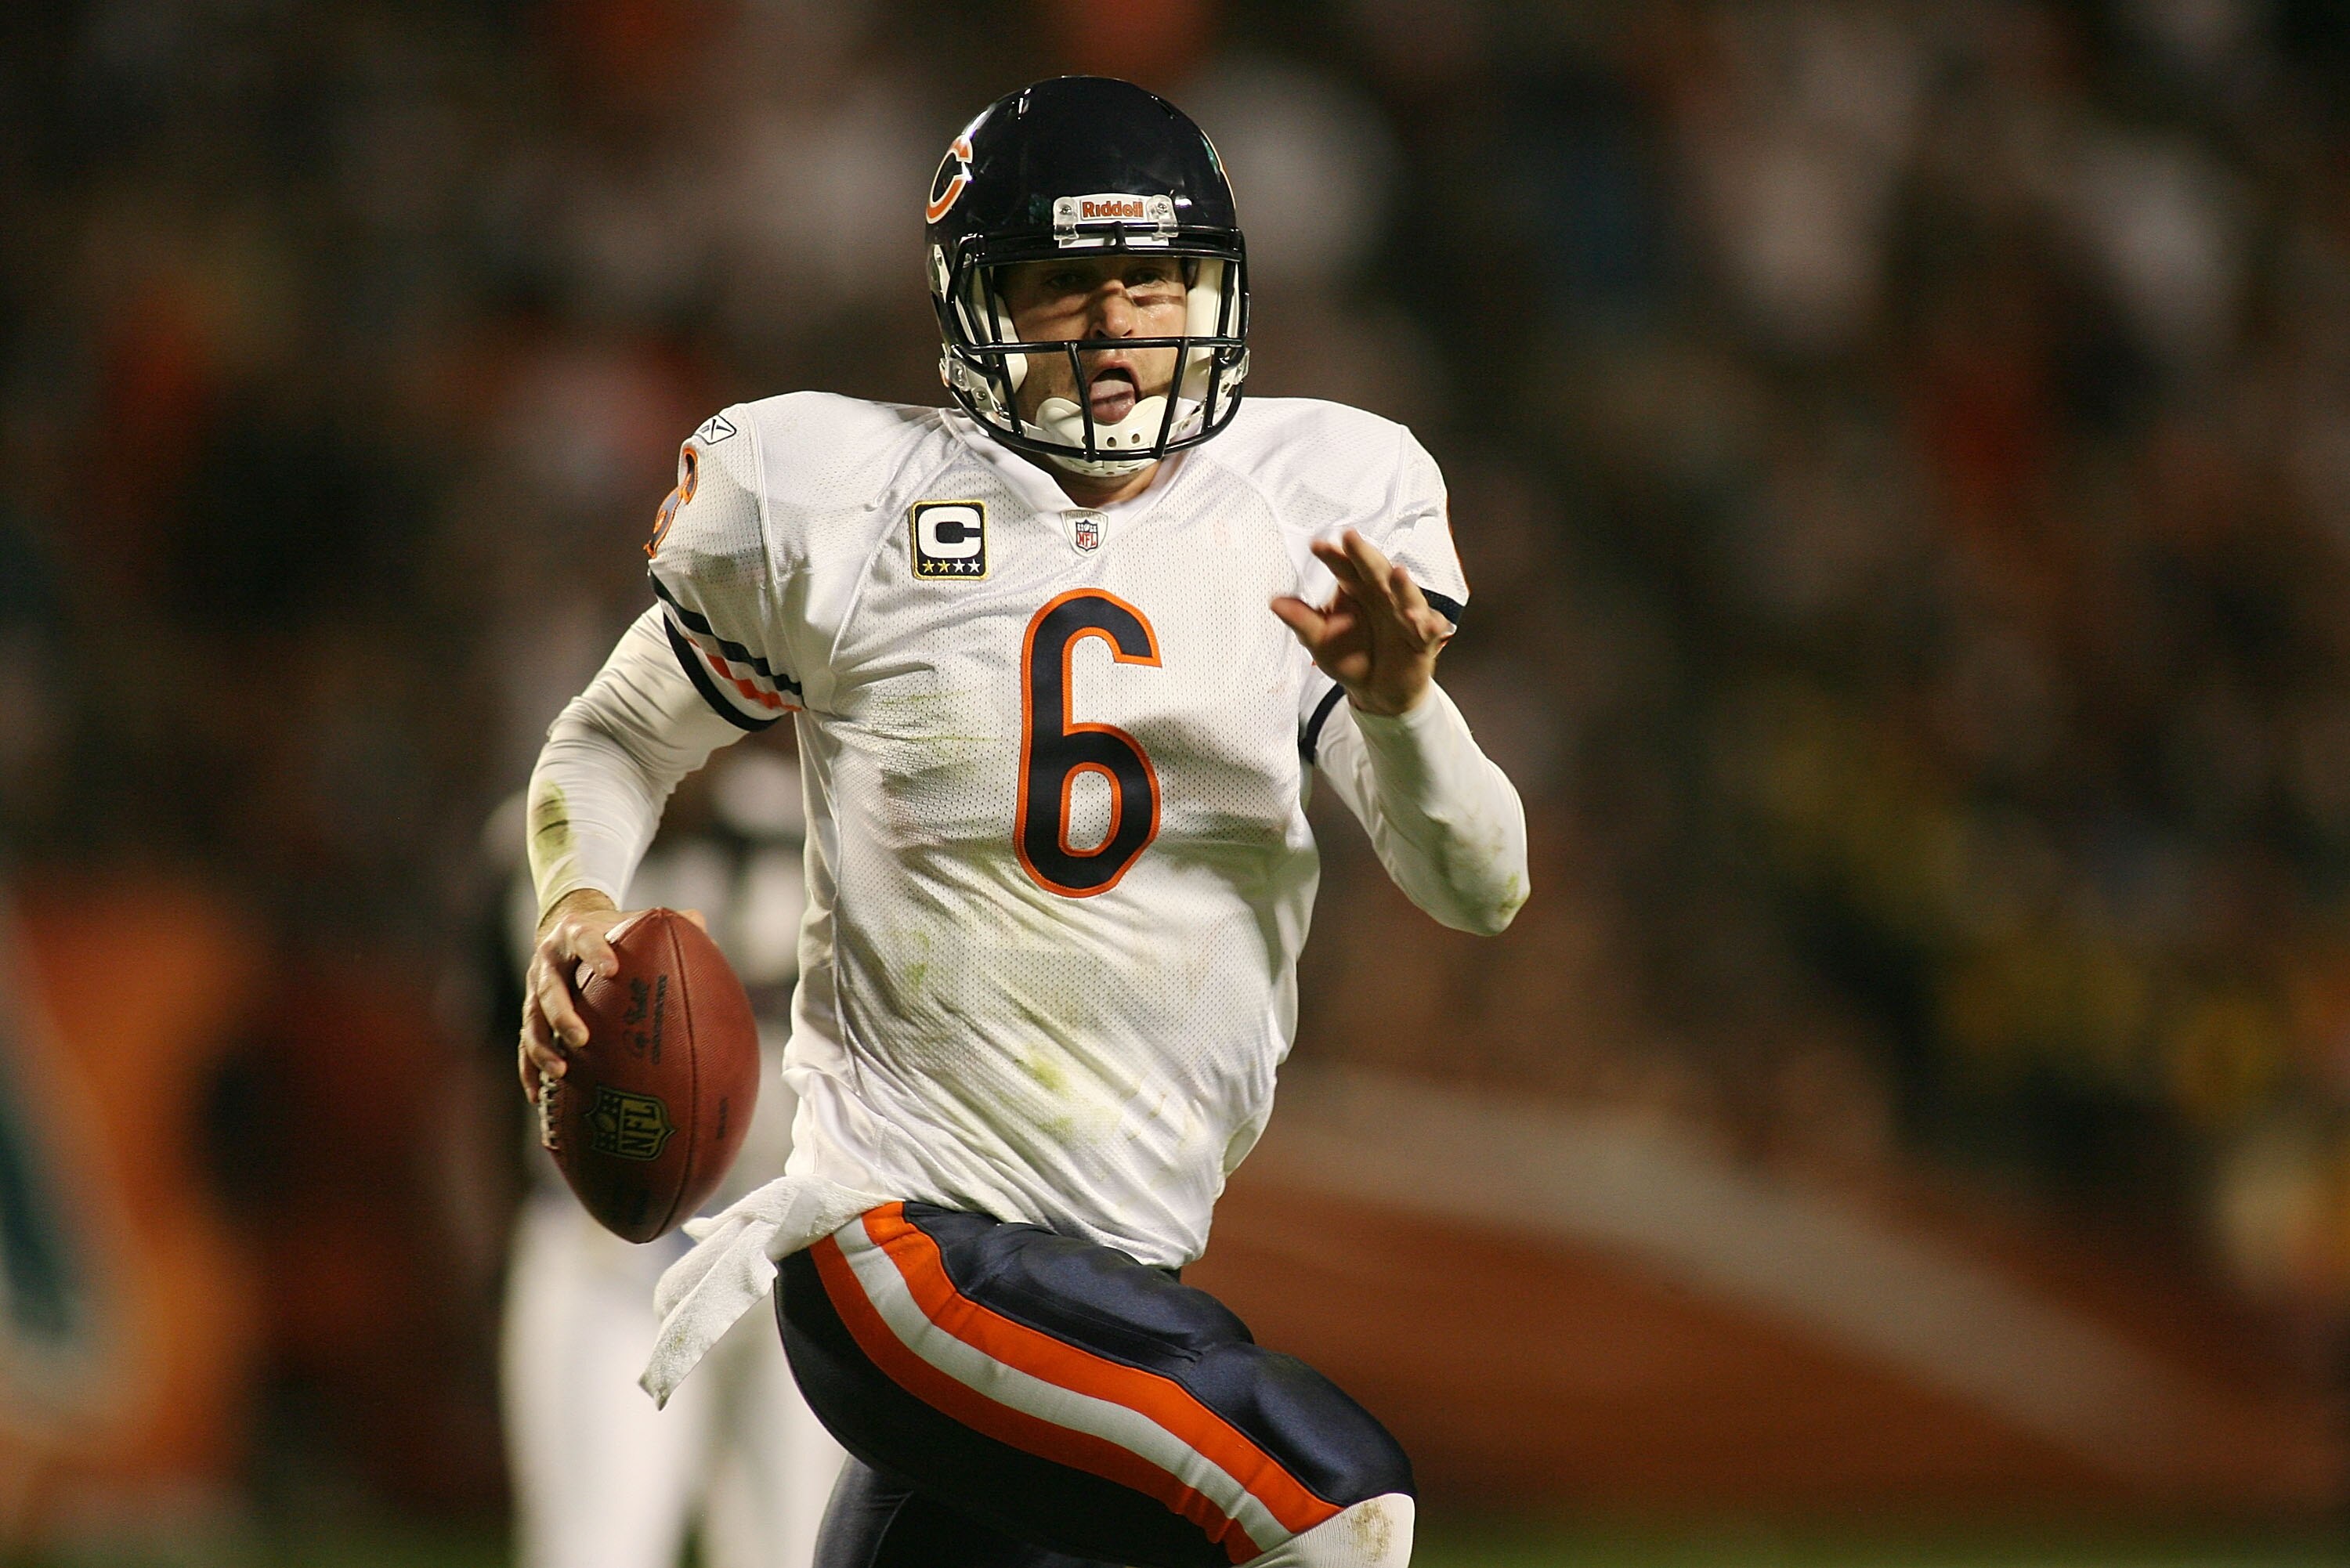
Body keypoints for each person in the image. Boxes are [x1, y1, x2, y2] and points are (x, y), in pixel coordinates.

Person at [519, 76, 1527, 1568]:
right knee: (1330, 1498)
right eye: (1065, 282)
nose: (1117, 327)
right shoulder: (839, 500)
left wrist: (1402, 710)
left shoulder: (1317, 508)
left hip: (1110, 1258)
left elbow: (1481, 883)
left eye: (1154, 279)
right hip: (902, 1249)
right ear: (978, 298)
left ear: (1219, 290)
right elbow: (611, 737)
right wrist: (576, 898)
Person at [491, 751, 844, 1568]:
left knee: (797, 1550)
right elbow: (478, 1066)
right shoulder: (541, 837)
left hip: (786, 1245)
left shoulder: (818, 822)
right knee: (599, 1546)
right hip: (606, 1253)